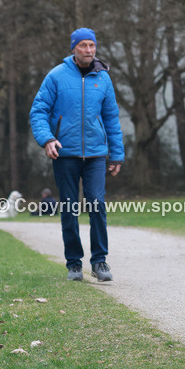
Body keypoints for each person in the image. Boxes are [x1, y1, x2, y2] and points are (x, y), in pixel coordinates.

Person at [29, 28, 124, 281]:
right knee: (70, 208)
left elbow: (111, 118)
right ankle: (73, 263)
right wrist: (47, 139)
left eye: (91, 45)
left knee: (97, 204)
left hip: (95, 154)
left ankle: (100, 261)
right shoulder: (56, 76)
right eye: (83, 45)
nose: (88, 50)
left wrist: (116, 154)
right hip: (65, 153)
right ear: (73, 47)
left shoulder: (103, 78)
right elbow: (38, 111)